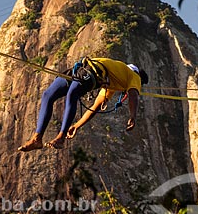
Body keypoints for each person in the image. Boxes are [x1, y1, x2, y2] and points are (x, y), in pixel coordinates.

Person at [18, 57, 149, 152]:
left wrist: (76, 125)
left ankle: (60, 136)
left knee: (66, 94)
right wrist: (133, 115)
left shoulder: (115, 79)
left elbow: (95, 107)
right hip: (88, 70)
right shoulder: (135, 76)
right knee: (49, 95)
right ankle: (38, 139)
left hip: (86, 69)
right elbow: (133, 94)